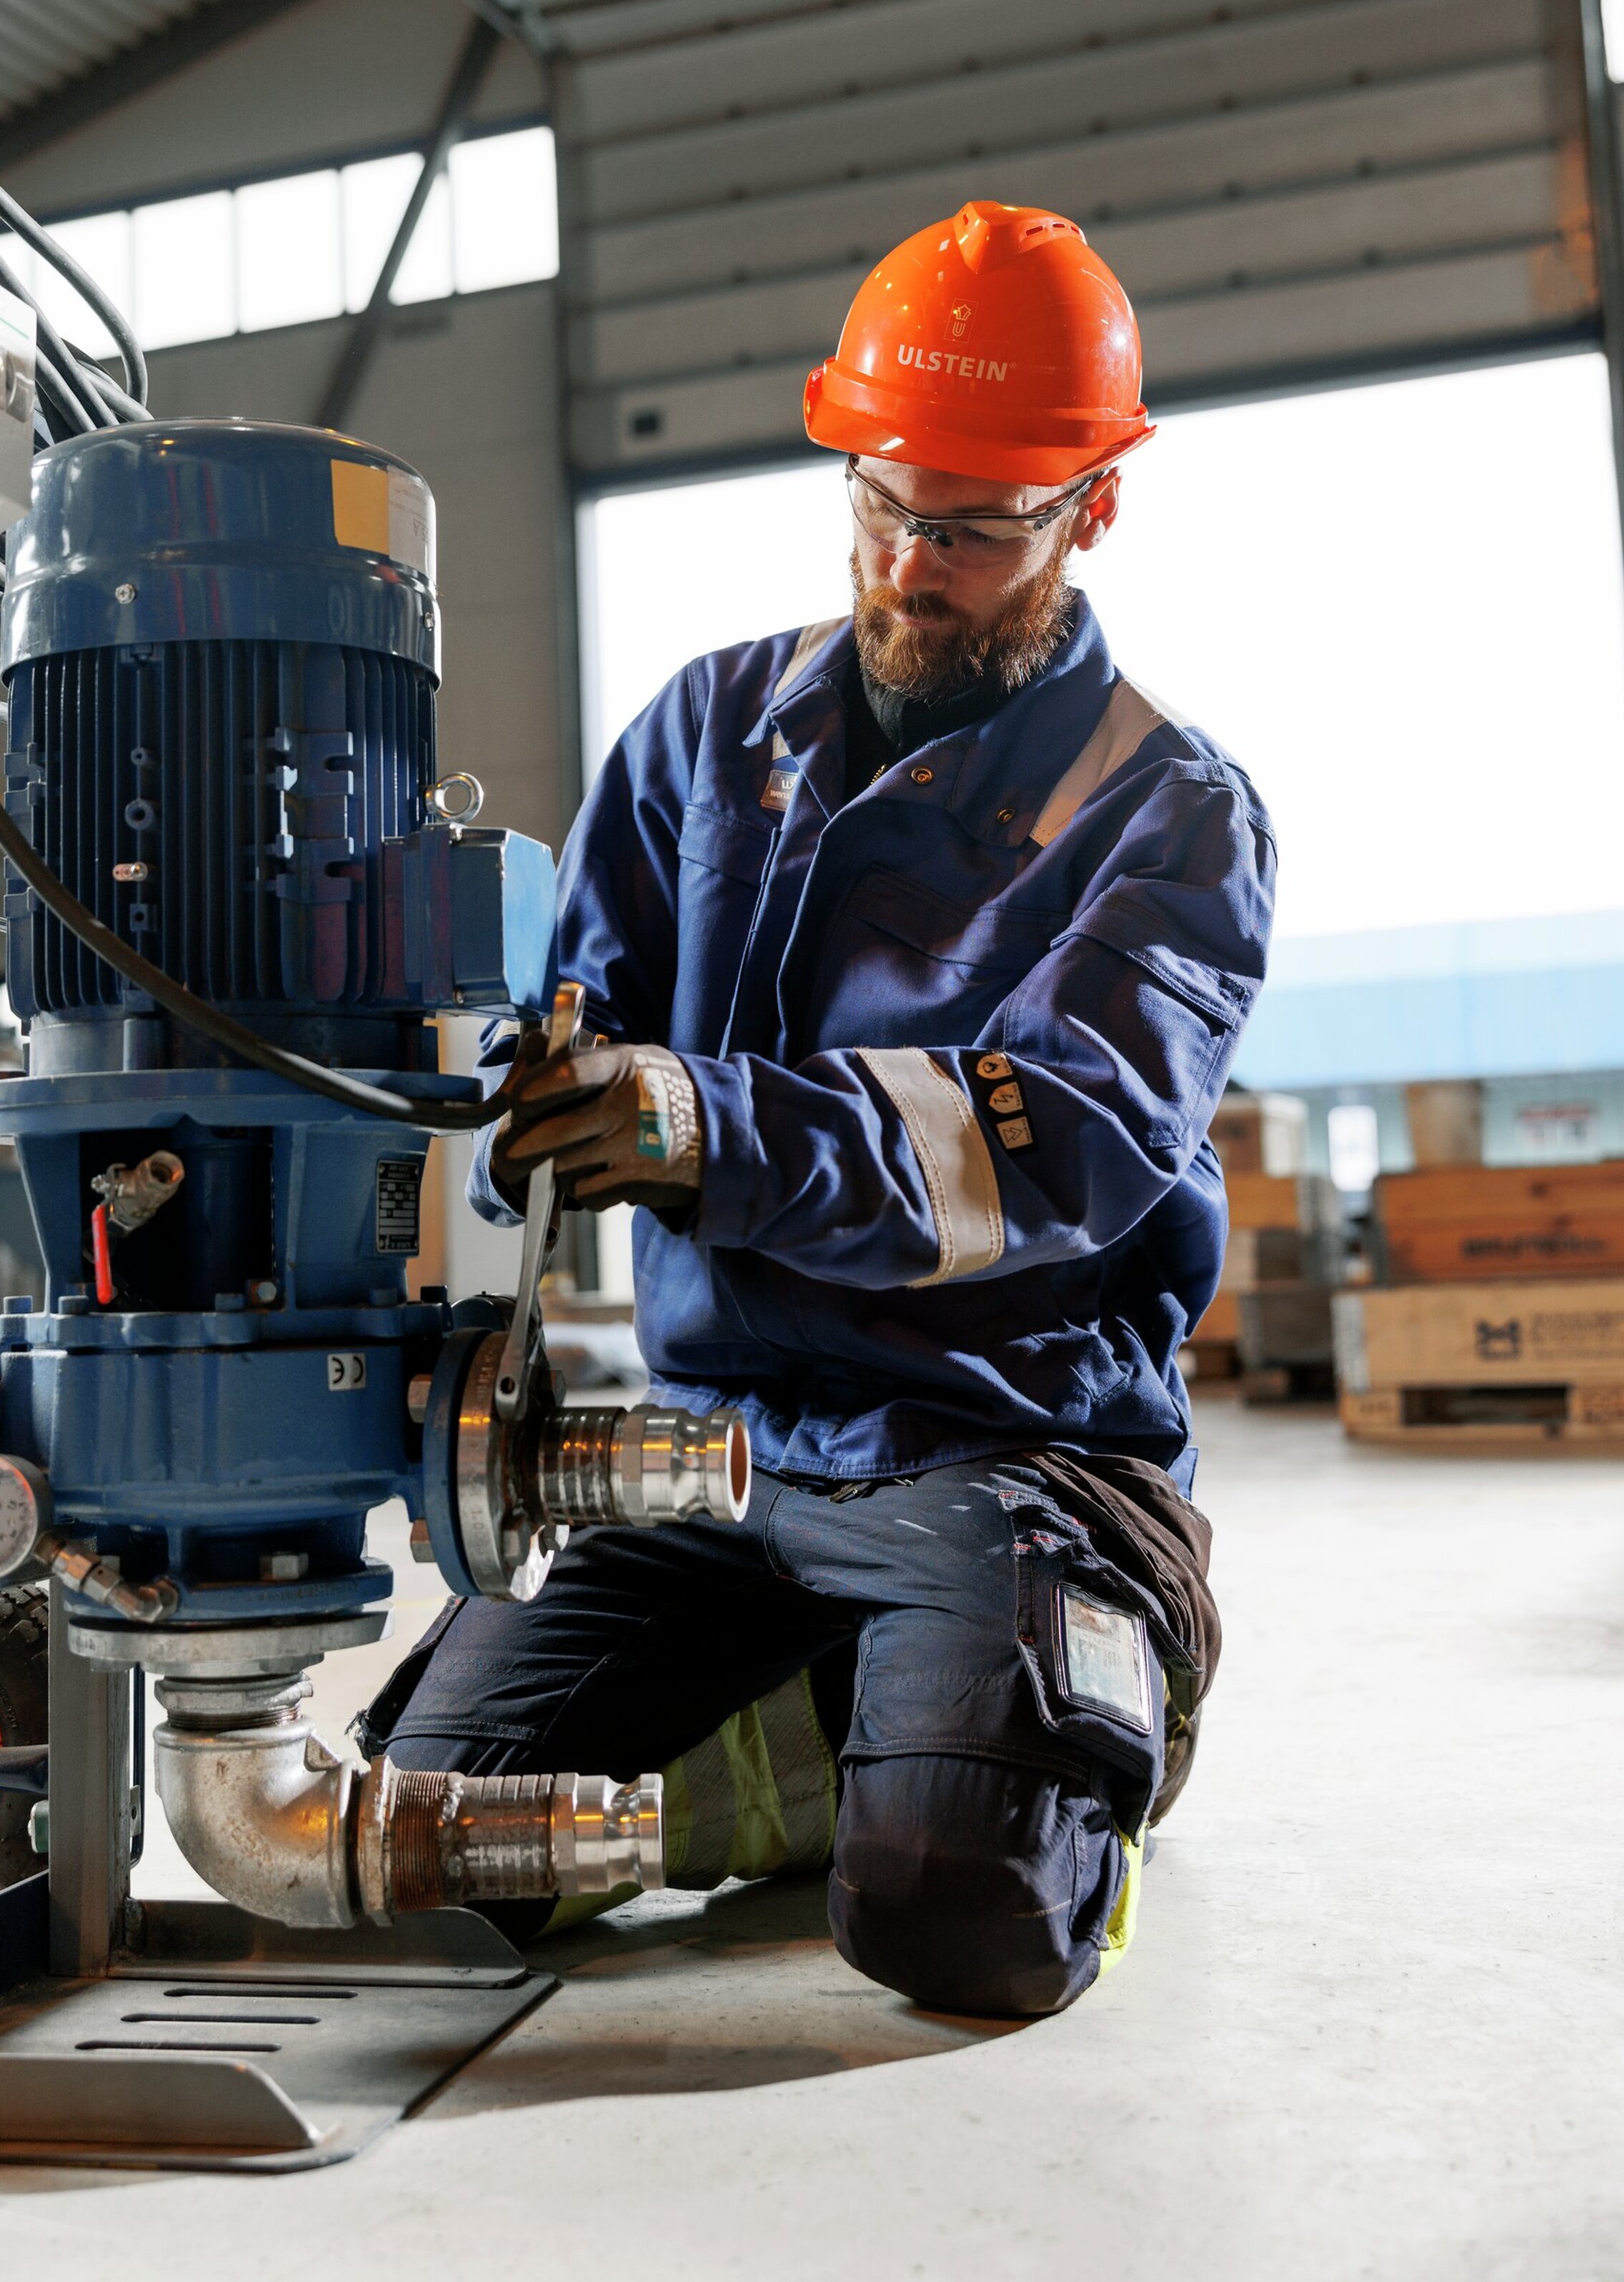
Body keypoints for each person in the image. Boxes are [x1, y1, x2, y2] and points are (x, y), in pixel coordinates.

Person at [360, 200, 1272, 2018]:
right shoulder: (702, 734)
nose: (911, 563)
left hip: (1004, 1447)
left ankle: (1066, 1709)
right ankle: (892, 1712)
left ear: (1088, 508)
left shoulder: (1171, 817)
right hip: (713, 1447)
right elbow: (575, 1020)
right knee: (409, 1863)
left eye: (971, 527)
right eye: (880, 499)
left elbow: (1054, 1143)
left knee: (956, 1916)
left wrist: (702, 1125)